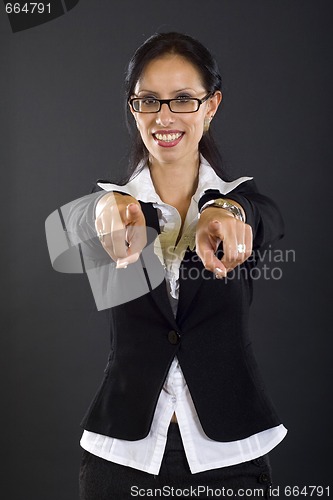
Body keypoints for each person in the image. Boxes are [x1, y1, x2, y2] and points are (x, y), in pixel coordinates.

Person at [46, 32, 287, 499]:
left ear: (211, 105)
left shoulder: (242, 200)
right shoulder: (114, 207)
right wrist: (101, 209)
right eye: (149, 101)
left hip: (230, 458)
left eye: (183, 100)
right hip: (121, 459)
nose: (164, 117)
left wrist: (229, 211)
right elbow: (64, 230)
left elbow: (269, 218)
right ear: (133, 107)